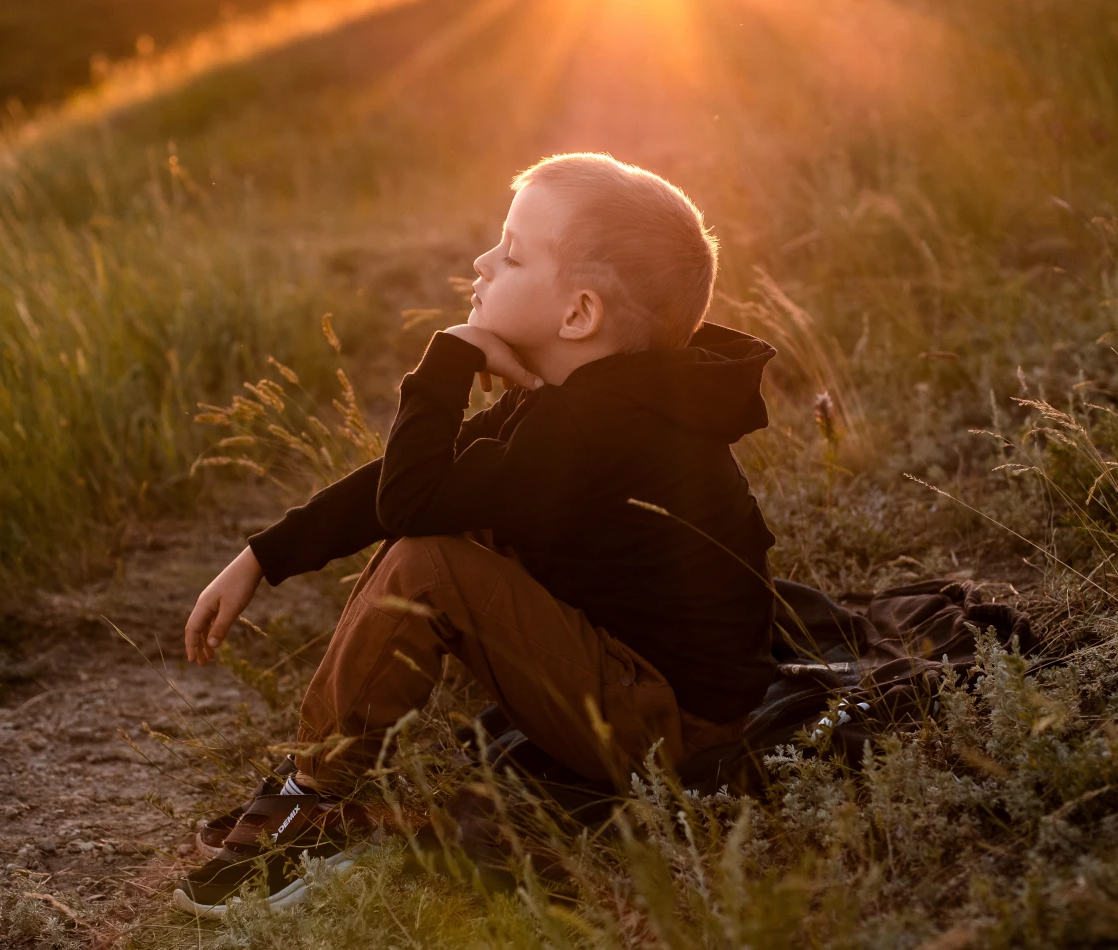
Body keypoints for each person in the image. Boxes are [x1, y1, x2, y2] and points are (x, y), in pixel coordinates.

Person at [173, 152, 780, 916]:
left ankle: (313, 802)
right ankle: (318, 787)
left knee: (432, 560)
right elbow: (426, 481)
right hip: (647, 688)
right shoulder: (592, 396)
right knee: (449, 530)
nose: (481, 263)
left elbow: (413, 505)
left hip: (669, 733)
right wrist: (266, 553)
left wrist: (448, 357)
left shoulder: (596, 425)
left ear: (578, 314)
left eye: (513, 253)